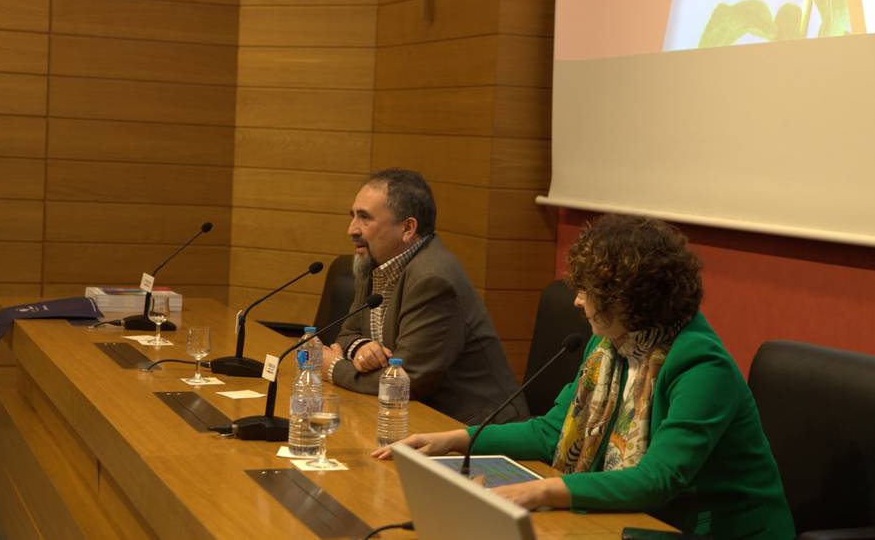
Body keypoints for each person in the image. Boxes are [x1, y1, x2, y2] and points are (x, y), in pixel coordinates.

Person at [374, 214, 795, 539]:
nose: (577, 301)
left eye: (588, 291)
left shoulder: (701, 365)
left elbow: (658, 479)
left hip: (714, 530)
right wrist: (454, 440)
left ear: (630, 301)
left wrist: (539, 491)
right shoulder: (611, 346)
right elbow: (552, 433)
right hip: (644, 520)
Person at [321, 168, 528, 425]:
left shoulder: (433, 280)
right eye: (353, 216)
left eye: (364, 218)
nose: (352, 229)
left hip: (475, 432)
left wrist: (333, 368)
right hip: (414, 419)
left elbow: (407, 381)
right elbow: (347, 334)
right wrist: (361, 347)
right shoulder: (374, 262)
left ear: (408, 228)